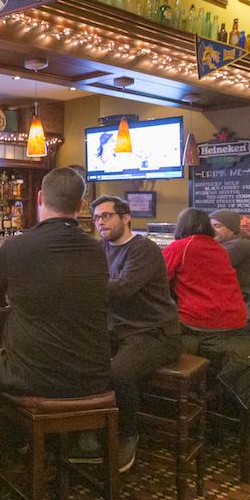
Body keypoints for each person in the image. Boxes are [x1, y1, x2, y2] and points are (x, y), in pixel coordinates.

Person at [0, 167, 110, 420]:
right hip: (92, 373)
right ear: (81, 205)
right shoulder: (97, 249)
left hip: (33, 375)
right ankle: (75, 438)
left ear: (39, 198)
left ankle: (4, 442)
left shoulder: (15, 246)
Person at [92, 195, 180, 470]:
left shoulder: (143, 249)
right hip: (119, 331)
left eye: (106, 216)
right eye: (96, 218)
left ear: (125, 217)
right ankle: (89, 432)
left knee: (118, 373)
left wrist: (78, 285)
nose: (100, 222)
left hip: (155, 332)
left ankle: (128, 434)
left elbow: (123, 289)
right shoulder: (100, 249)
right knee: (79, 358)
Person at [162, 208, 247, 333]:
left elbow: (158, 277)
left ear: (181, 226)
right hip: (236, 319)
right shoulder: (220, 248)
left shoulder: (181, 246)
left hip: (199, 320)